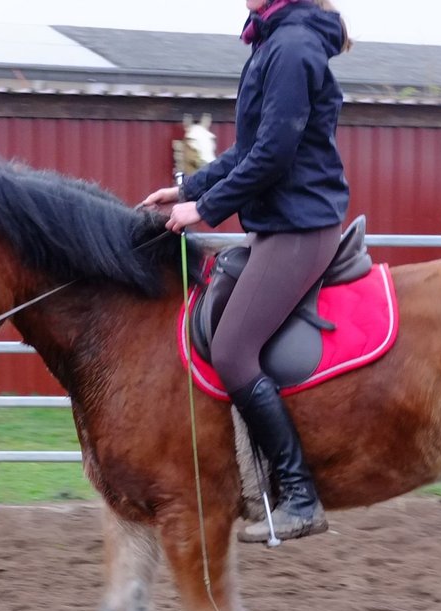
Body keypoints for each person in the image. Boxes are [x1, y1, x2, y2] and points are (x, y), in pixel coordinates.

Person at [142, 0, 352, 543]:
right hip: (279, 225)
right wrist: (189, 188)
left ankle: (299, 495)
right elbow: (249, 149)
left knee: (234, 349)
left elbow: (274, 155)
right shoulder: (272, 40)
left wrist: (204, 211)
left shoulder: (291, 46)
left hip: (301, 228)